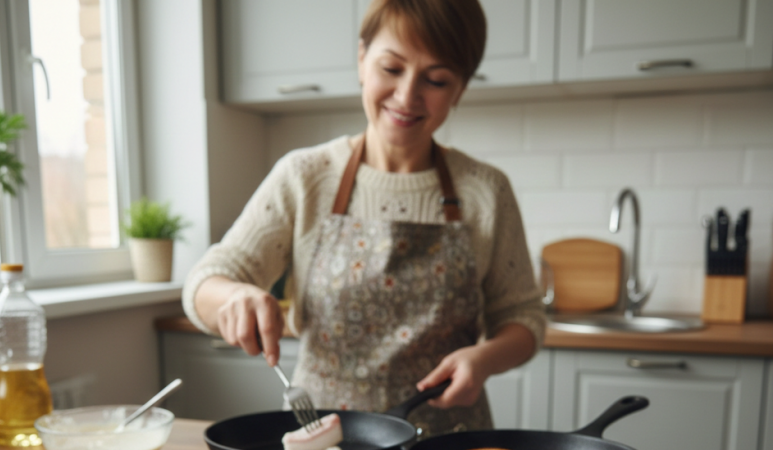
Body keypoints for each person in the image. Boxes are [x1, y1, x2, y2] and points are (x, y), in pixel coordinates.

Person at [183, 0, 545, 436]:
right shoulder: (305, 177)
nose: (407, 96)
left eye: (436, 79)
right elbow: (205, 281)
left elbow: (524, 317)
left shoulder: (487, 191)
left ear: (460, 89)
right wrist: (232, 298)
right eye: (391, 68)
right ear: (361, 59)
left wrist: (484, 359)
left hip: (448, 434)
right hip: (324, 433)